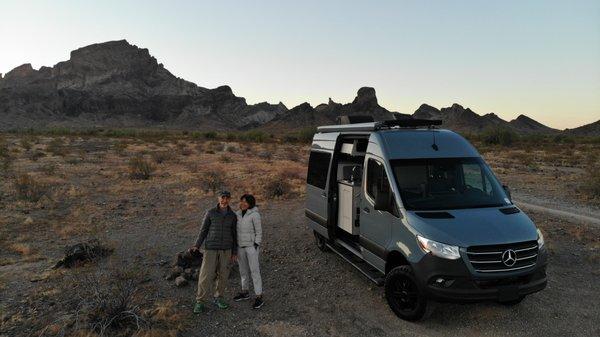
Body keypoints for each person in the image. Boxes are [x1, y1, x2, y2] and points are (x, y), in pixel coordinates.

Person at [191, 191, 238, 314]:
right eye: (222, 197)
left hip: (226, 250)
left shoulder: (232, 216)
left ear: (230, 199)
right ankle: (200, 301)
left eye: (227, 198)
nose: (224, 200)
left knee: (223, 275)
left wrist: (234, 252)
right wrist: (197, 245)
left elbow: (235, 235)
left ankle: (219, 298)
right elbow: (203, 230)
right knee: (205, 275)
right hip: (211, 248)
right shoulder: (210, 213)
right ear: (218, 198)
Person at [233, 194, 264, 309]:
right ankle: (245, 291)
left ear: (250, 203)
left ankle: (259, 296)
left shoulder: (255, 215)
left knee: (254, 271)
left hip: (251, 247)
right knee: (243, 271)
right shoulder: (237, 214)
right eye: (241, 201)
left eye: (245, 201)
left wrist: (256, 244)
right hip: (240, 247)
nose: (243, 203)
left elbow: (259, 231)